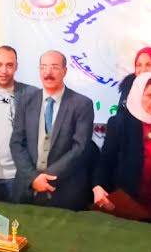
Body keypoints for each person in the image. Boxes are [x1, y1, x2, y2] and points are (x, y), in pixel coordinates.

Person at [10, 50, 94, 210]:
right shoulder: (26, 101)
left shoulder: (82, 104)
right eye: (43, 67)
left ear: (65, 71)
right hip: (27, 189)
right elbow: (16, 143)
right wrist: (33, 178)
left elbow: (80, 148)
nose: (48, 73)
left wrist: (45, 178)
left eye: (54, 67)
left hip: (64, 191)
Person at [92, 72, 151, 222]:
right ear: (137, 94)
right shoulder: (120, 123)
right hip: (130, 205)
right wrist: (98, 185)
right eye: (150, 95)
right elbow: (106, 160)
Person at [0, 46, 39, 202]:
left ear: (16, 66)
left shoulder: (33, 94)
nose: (4, 70)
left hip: (19, 178)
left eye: (9, 65)